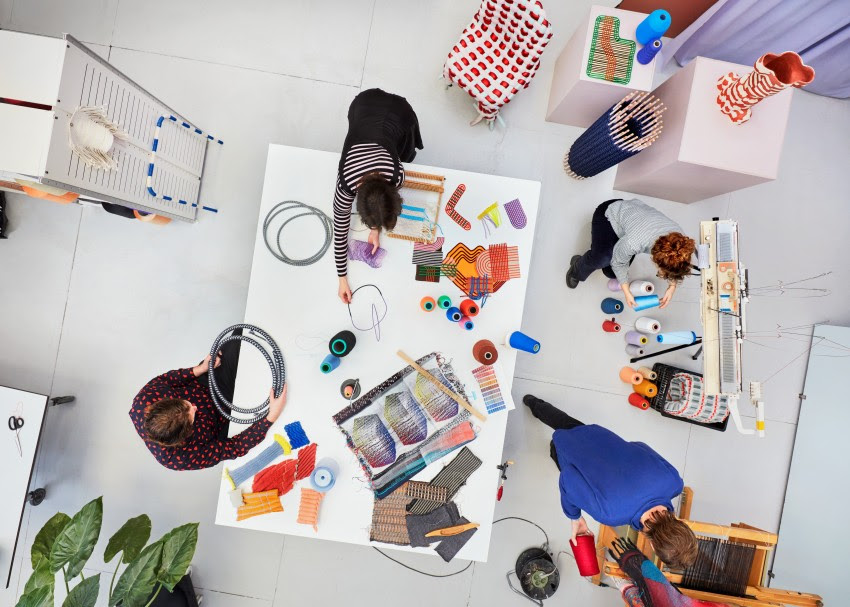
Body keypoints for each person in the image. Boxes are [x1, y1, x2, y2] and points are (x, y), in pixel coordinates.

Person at [523, 394, 698, 570]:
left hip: (598, 436)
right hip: (573, 452)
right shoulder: (611, 514)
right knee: (558, 445)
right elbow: (568, 477)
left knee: (565, 422)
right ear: (653, 546)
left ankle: (532, 402)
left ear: (681, 524)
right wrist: (574, 516)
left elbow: (639, 445)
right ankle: (549, 436)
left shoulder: (674, 482)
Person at [130, 331, 287, 471]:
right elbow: (234, 447)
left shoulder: (142, 402)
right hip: (222, 418)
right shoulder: (180, 458)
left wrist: (199, 369)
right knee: (280, 409)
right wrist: (271, 417)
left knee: (238, 338)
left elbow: (165, 380)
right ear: (185, 434)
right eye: (191, 415)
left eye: (186, 403)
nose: (194, 407)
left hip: (206, 383)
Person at [334, 88, 423, 303]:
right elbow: (340, 228)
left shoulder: (396, 173)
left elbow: (341, 226)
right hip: (363, 104)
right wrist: (342, 278)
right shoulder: (347, 182)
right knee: (395, 146)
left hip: (396, 112)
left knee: (401, 146)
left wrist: (375, 228)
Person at [566, 198, 695, 309]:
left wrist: (672, 287)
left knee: (611, 273)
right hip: (609, 215)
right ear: (656, 258)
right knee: (602, 259)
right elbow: (618, 262)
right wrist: (627, 292)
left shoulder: (680, 241)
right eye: (662, 270)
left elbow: (676, 264)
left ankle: (601, 253)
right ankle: (577, 267)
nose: (661, 274)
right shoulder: (637, 241)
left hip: (632, 221)